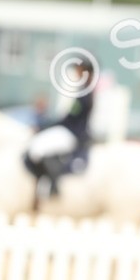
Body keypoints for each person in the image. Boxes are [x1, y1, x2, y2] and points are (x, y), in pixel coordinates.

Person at [25, 59, 95, 196]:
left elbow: (70, 118)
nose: (76, 73)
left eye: (78, 70)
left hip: (74, 132)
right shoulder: (84, 91)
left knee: (39, 148)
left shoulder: (84, 93)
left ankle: (53, 185)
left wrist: (45, 127)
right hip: (72, 130)